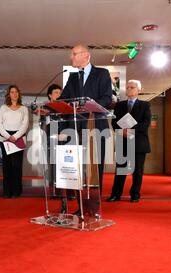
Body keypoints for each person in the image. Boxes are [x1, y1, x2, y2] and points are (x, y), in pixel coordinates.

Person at [59, 44, 113, 193]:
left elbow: (107, 98)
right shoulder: (73, 76)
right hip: (76, 130)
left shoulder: (102, 73)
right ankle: (80, 207)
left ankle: (94, 208)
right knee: (78, 168)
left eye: (74, 54)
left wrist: (88, 106)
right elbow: (64, 100)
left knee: (95, 167)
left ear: (86, 55)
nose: (71, 57)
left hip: (95, 128)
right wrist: (51, 107)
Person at [107, 80, 151, 203]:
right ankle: (116, 194)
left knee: (137, 171)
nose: (129, 89)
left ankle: (135, 194)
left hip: (138, 143)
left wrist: (131, 131)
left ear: (139, 90)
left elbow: (145, 123)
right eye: (128, 87)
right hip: (123, 141)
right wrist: (123, 132)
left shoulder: (145, 105)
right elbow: (114, 123)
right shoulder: (120, 105)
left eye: (132, 87)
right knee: (120, 170)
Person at [0, 85, 29, 198]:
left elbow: (25, 125)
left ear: (19, 94)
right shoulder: (3, 107)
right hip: (5, 138)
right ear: (8, 94)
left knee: (17, 166)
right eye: (12, 92)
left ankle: (16, 191)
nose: (14, 94)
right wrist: (8, 136)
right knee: (7, 166)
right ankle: (7, 192)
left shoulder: (24, 108)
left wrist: (15, 136)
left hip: (18, 138)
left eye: (16, 92)